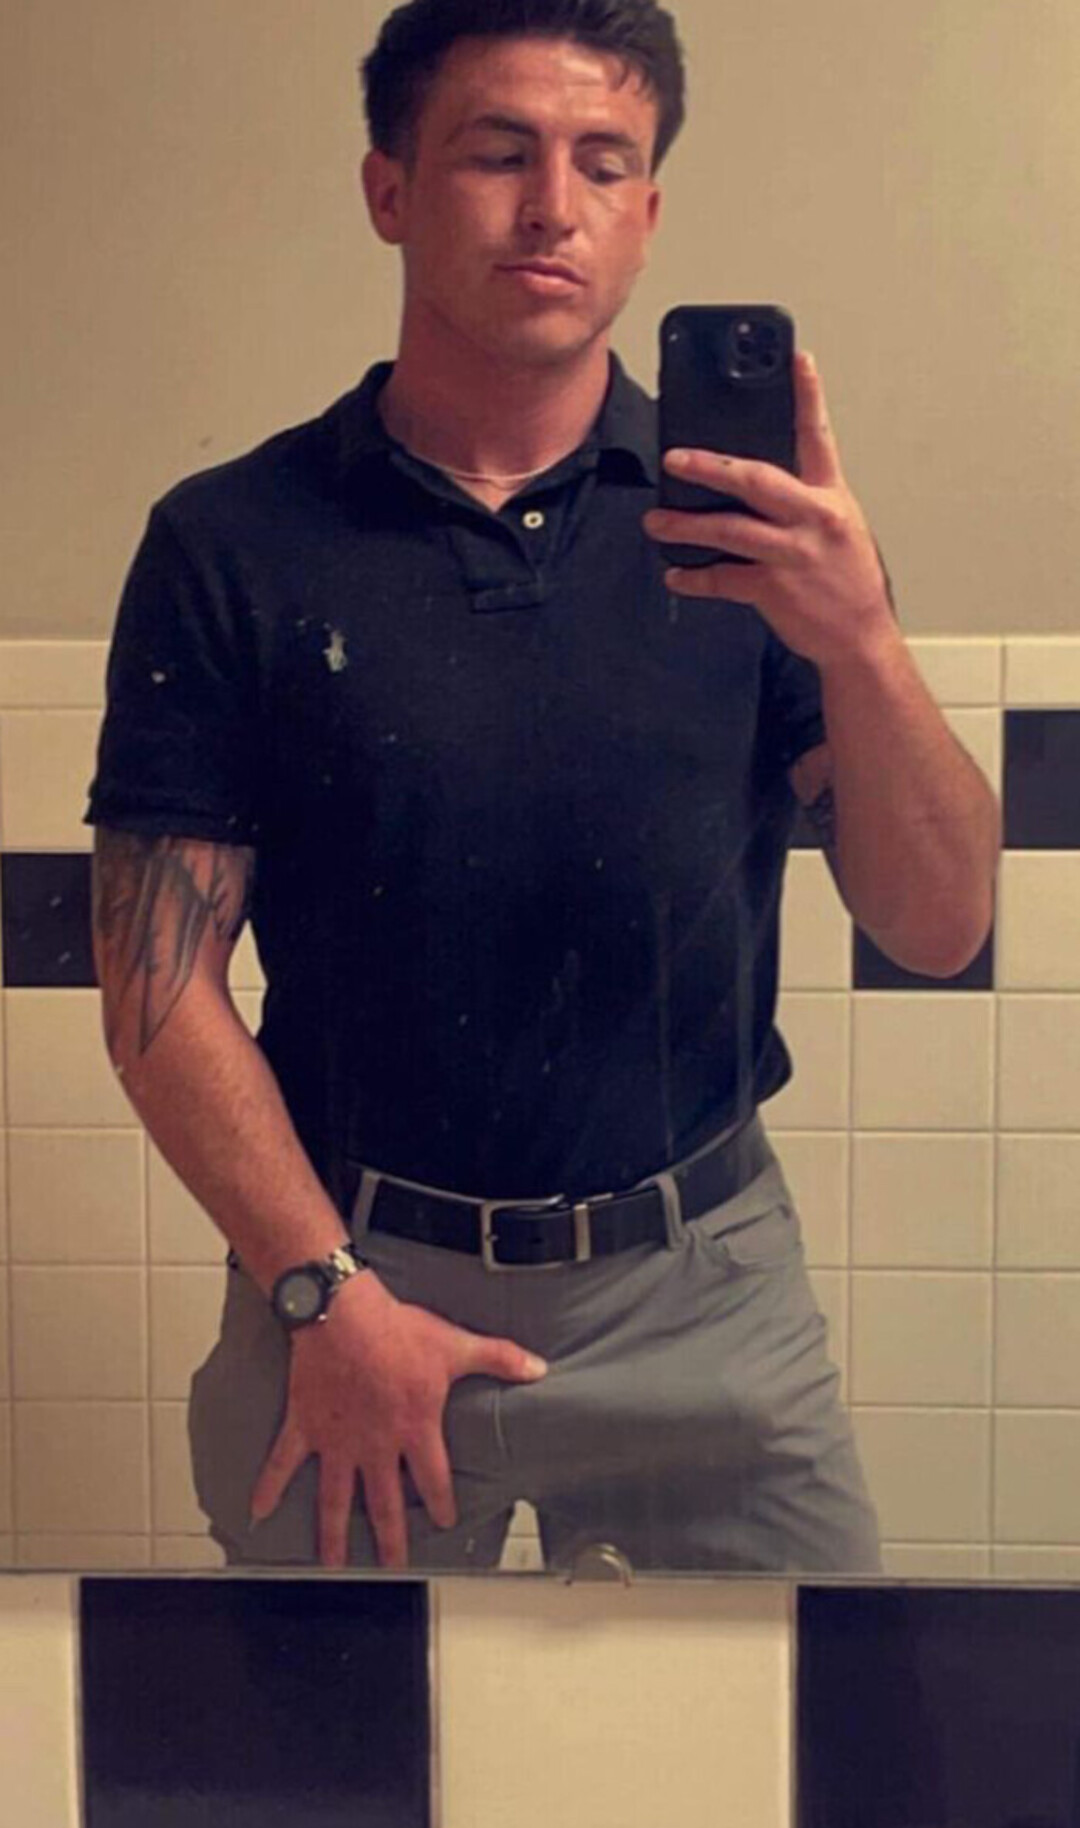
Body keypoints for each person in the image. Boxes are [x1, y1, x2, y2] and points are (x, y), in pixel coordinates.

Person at [85, 0, 999, 1577]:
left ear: (648, 213)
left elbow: (938, 923)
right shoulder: (234, 541)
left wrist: (860, 636)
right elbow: (155, 992)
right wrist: (323, 1292)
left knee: (821, 1729)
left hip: (700, 1299)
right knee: (327, 1739)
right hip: (351, 1285)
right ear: (389, 190)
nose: (552, 206)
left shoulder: (759, 541)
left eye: (603, 161)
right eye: (498, 153)